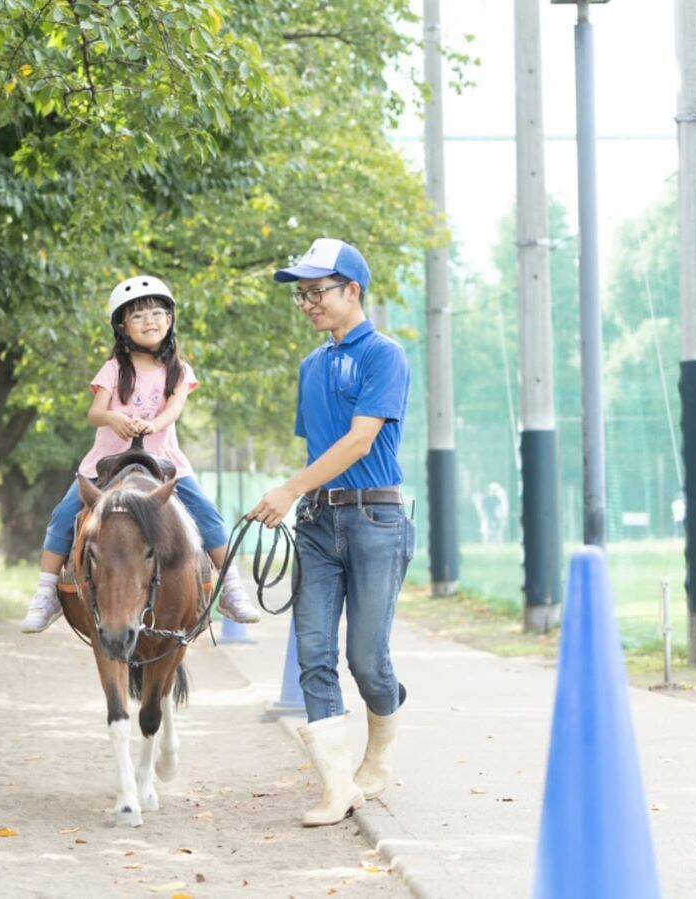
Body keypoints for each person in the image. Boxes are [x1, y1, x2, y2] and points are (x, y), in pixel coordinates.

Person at [248, 238, 414, 826]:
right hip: (318, 522)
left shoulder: (384, 356)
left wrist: (288, 488)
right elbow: (320, 446)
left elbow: (359, 441)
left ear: (354, 291)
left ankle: (380, 757)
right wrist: (300, 496)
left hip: (376, 520)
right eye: (303, 295)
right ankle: (337, 785)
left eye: (318, 291)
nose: (309, 303)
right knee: (313, 655)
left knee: (366, 660)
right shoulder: (311, 367)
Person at [20, 275, 262, 633]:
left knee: (208, 515)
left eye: (157, 313)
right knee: (63, 516)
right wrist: (115, 418)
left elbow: (174, 410)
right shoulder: (114, 369)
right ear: (122, 326)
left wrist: (153, 424)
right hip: (106, 462)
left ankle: (231, 588)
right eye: (138, 316)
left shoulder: (178, 371)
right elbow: (95, 413)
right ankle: (46, 593)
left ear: (170, 319)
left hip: (164, 461)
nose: (150, 321)